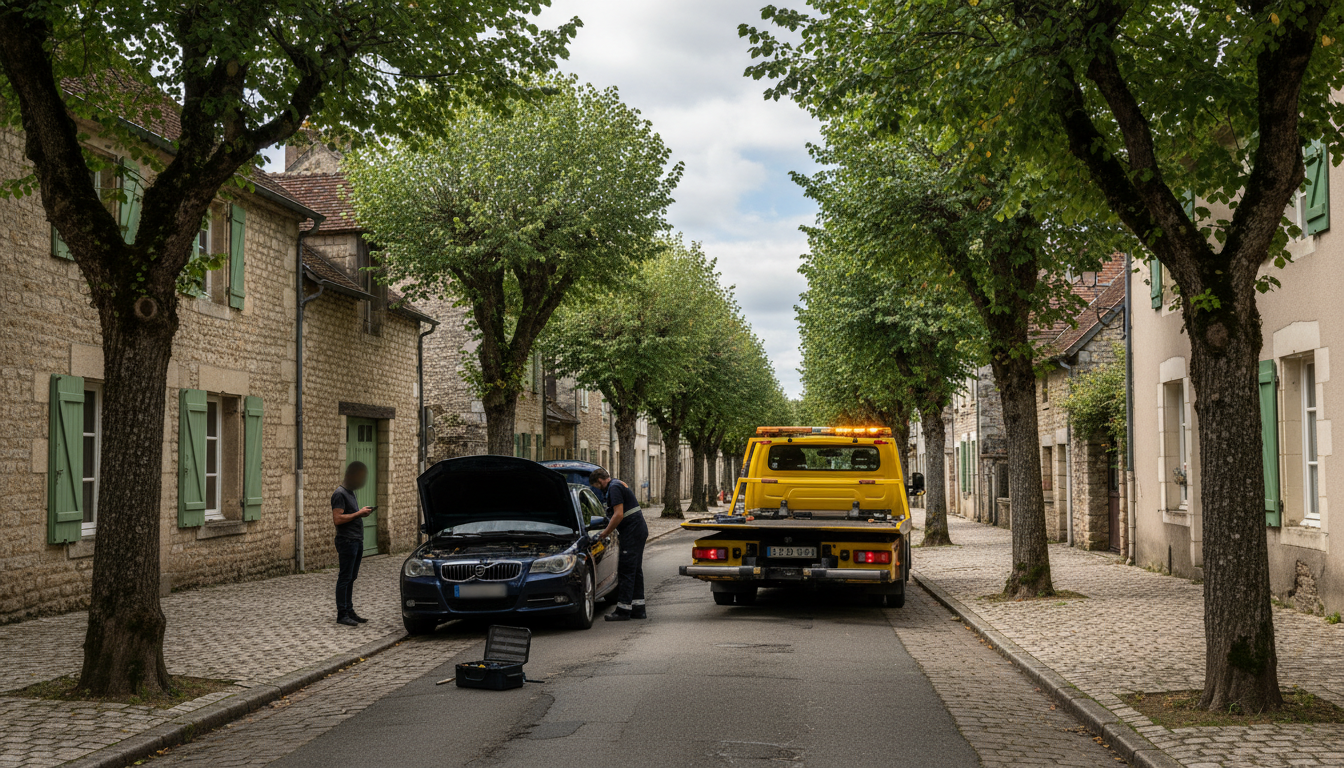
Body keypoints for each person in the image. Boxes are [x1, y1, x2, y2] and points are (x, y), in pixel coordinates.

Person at [590, 468, 648, 621]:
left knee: (626, 569)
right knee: (635, 569)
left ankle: (623, 610)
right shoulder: (617, 483)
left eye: (596, 486)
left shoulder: (614, 488)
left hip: (632, 531)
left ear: (600, 481)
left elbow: (619, 514)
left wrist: (605, 533)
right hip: (637, 530)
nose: (598, 489)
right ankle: (638, 608)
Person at [332, 461, 374, 627]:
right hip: (347, 541)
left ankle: (349, 610)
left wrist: (361, 512)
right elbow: (338, 519)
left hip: (356, 540)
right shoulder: (339, 494)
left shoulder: (350, 493)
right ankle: (342, 613)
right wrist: (359, 514)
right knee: (345, 577)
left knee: (352, 577)